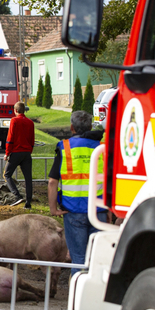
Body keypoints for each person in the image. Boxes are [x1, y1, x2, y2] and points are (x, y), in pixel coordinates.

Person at [47, 110, 107, 276]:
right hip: (99, 211)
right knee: (98, 260)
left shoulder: (65, 147)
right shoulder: (102, 147)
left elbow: (53, 181)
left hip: (73, 212)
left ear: (72, 127)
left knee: (79, 259)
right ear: (89, 126)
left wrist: (53, 209)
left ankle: (77, 299)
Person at [4, 101, 35, 207]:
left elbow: (10, 137)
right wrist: (29, 151)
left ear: (15, 110)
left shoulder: (14, 120)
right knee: (28, 178)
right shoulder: (30, 122)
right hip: (27, 153)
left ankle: (17, 196)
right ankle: (28, 202)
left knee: (7, 174)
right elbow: (32, 139)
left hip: (16, 152)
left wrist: (7, 153)